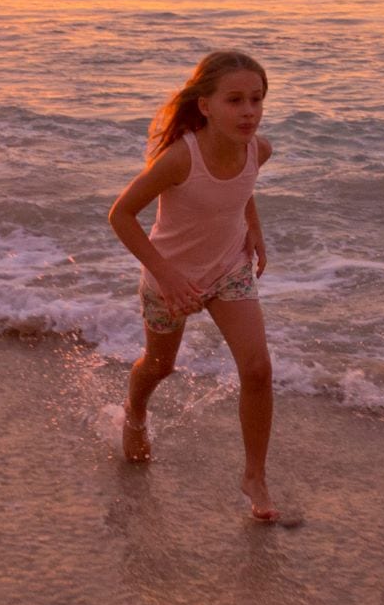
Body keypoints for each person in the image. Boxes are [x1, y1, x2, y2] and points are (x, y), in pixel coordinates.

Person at [108, 49, 295, 524]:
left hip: (229, 269)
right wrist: (166, 275)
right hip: (170, 277)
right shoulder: (179, 158)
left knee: (258, 370)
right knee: (158, 365)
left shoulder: (260, 149)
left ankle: (254, 475)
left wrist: (254, 227)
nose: (248, 111)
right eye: (235, 100)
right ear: (206, 106)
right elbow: (121, 215)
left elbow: (242, 186)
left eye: (256, 99)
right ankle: (135, 411)